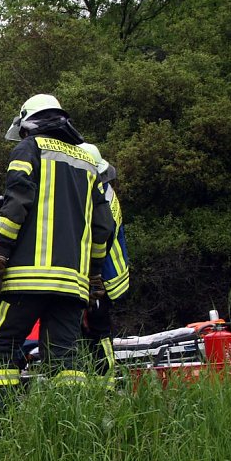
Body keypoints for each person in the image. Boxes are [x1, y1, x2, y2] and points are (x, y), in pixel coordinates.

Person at [0, 94, 114, 417]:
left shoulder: (30, 149)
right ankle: (68, 434)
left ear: (29, 125)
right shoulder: (87, 161)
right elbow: (103, 224)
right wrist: (94, 274)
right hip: (73, 285)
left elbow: (15, 205)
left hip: (28, 278)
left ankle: (3, 432)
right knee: (66, 363)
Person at [79, 142, 130, 385]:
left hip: (102, 276)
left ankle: (107, 381)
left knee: (98, 331)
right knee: (95, 330)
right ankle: (101, 379)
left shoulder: (101, 202)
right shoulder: (106, 192)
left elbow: (95, 238)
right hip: (109, 273)